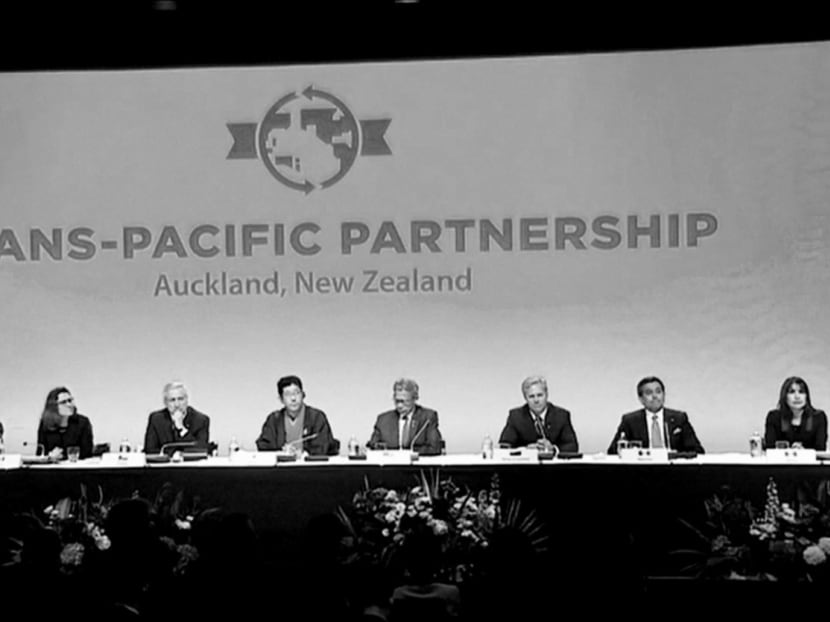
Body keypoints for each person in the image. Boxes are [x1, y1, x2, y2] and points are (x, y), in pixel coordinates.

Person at [607, 376, 704, 454]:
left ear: (664, 394)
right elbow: (613, 451)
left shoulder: (679, 418)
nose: (655, 396)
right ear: (640, 399)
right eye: (649, 393)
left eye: (658, 392)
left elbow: (697, 450)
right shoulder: (630, 420)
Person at [255, 375, 339, 455]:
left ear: (303, 395)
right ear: (281, 399)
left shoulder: (316, 417)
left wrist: (303, 453)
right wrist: (282, 452)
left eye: (296, 393)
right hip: (281, 468)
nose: (293, 398)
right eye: (288, 394)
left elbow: (324, 445)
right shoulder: (274, 419)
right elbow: (264, 445)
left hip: (311, 467)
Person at [498, 375, 578, 452]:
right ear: (525, 398)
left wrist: (553, 449)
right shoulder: (516, 417)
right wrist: (526, 450)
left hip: (553, 465)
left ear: (546, 395)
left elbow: (573, 446)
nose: (536, 400)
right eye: (531, 396)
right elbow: (505, 445)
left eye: (540, 395)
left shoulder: (561, 416)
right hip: (525, 465)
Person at [368, 378, 443, 455]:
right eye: (397, 401)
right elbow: (373, 445)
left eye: (404, 402)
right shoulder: (383, 420)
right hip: (390, 465)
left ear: (415, 399)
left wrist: (408, 454)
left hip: (416, 465)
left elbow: (435, 448)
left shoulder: (427, 417)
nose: (400, 406)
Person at [143, 381, 210, 454]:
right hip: (164, 464)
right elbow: (150, 450)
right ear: (165, 402)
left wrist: (181, 429)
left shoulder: (201, 420)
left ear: (187, 400)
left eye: (180, 399)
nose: (177, 404)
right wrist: (174, 455)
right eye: (172, 400)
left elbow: (201, 450)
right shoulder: (156, 419)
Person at [764, 376, 827, 450]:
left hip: (809, 461)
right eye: (792, 392)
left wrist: (803, 452)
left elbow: (820, 449)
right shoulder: (774, 417)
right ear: (785, 396)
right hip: (781, 461)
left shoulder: (818, 417)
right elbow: (770, 448)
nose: (797, 397)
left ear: (806, 397)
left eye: (801, 392)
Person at [36, 386, 94, 459]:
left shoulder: (83, 422)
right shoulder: (45, 424)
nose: (69, 405)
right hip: (52, 468)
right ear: (54, 406)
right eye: (63, 402)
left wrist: (63, 456)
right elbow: (40, 453)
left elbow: (87, 452)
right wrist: (50, 457)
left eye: (70, 400)